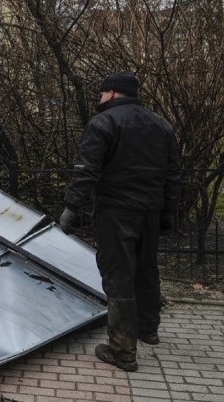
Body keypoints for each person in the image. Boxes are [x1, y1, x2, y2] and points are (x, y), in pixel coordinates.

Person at [60, 71, 181, 372]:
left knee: (118, 276)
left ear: (112, 93)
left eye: (101, 94)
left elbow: (87, 170)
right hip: (149, 212)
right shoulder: (161, 125)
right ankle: (148, 329)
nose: (99, 99)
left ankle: (123, 350)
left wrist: (70, 208)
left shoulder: (103, 124)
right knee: (146, 269)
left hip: (116, 213)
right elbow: (173, 175)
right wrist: (168, 213)